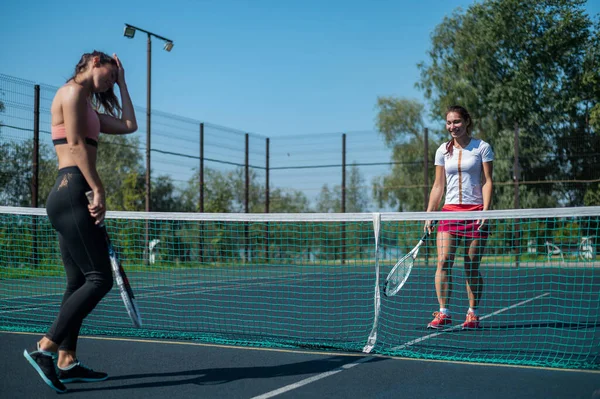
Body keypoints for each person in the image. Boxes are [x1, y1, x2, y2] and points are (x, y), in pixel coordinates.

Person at [23, 50, 137, 393]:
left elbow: (131, 125)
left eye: (115, 79)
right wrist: (98, 190)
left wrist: (124, 82)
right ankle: (46, 348)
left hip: (72, 195)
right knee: (99, 278)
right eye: (110, 74)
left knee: (77, 282)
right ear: (94, 62)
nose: (110, 82)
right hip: (72, 191)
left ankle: (66, 360)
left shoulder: (91, 109)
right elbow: (74, 146)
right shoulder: (71, 93)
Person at [424, 105, 494, 330]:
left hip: (475, 212)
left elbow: (488, 181)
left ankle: (472, 313)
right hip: (449, 212)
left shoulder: (482, 148)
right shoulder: (442, 151)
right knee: (443, 262)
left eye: (456, 122)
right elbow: (438, 186)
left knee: (471, 265)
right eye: (448, 123)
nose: (452, 126)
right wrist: (429, 214)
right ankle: (443, 312)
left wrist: (485, 210)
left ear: (467, 121)